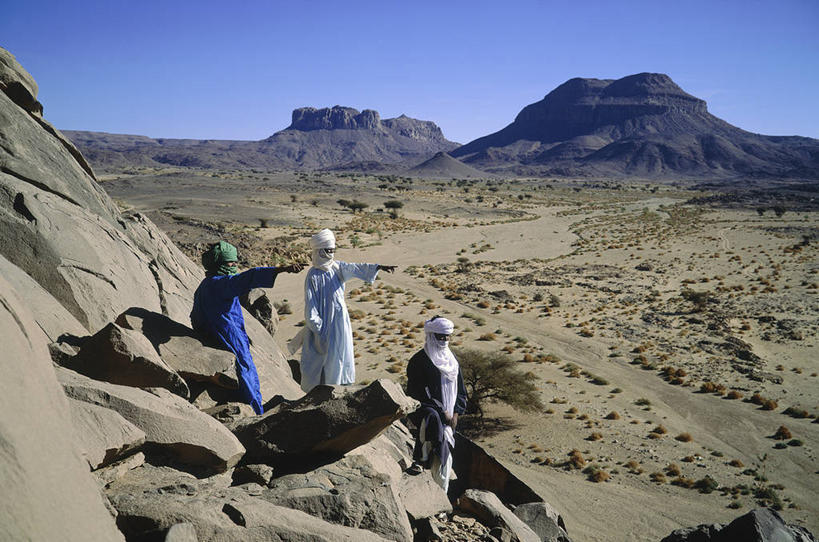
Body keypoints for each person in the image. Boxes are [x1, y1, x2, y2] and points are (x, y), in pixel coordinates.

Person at [191, 240, 303, 415]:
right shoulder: (220, 284)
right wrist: (280, 270)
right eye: (231, 262)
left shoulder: (205, 285)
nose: (234, 265)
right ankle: (255, 411)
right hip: (227, 334)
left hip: (219, 332)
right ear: (219, 263)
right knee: (245, 368)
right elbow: (247, 278)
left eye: (235, 262)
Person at [299, 228, 396, 393]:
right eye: (328, 251)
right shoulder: (313, 275)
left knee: (340, 353)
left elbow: (355, 268)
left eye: (333, 250)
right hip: (322, 324)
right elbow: (311, 305)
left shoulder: (337, 267)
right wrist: (318, 328)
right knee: (323, 358)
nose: (331, 254)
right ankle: (324, 391)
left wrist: (378, 267)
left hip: (339, 320)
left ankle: (338, 386)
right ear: (320, 251)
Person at [405, 316, 468, 492]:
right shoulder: (419, 361)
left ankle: (440, 495)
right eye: (441, 337)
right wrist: (442, 411)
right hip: (427, 410)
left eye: (448, 337)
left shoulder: (452, 361)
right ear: (432, 336)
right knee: (435, 435)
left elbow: (461, 391)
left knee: (444, 457)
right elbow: (418, 393)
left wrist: (456, 413)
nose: (445, 341)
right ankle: (420, 459)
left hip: (449, 416)